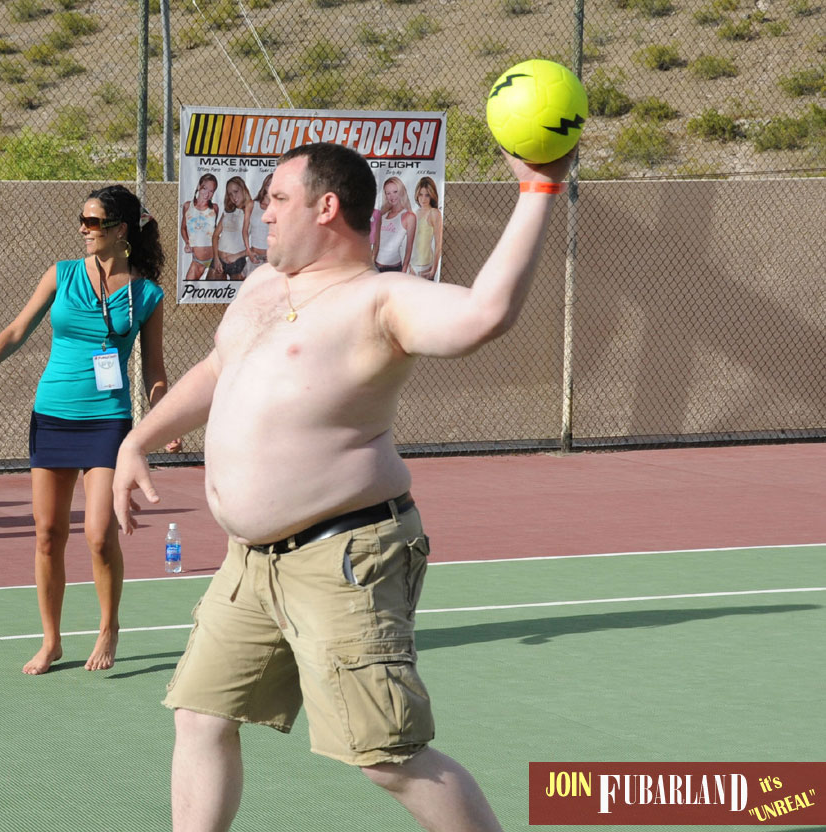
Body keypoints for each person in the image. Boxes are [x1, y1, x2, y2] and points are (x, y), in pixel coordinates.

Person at [112, 142, 572, 831]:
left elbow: (484, 316)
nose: (261, 210)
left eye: (276, 198)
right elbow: (218, 366)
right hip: (250, 561)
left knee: (386, 755)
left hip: (344, 556)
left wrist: (537, 194)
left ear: (325, 207)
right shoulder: (263, 284)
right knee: (201, 716)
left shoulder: (381, 299)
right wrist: (137, 439)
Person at [0, 185, 175, 675]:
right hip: (52, 415)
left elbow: (154, 370)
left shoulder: (147, 294)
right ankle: (51, 641)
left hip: (109, 421)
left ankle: (108, 627)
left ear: (120, 230)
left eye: (93, 222)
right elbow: (16, 330)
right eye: (82, 220)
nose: (83, 229)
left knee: (97, 533)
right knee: (48, 534)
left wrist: (164, 418)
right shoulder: (61, 274)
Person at [371, 176, 417, 272]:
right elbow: (376, 243)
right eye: (388, 193)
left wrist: (404, 271)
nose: (392, 196)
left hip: (393, 269)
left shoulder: (409, 216)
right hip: (375, 266)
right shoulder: (382, 215)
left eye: (395, 192)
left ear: (401, 191)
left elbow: (409, 248)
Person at [213, 176, 252, 281]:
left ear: (243, 190)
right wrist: (216, 258)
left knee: (238, 296)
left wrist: (237, 256)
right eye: (230, 194)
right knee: (208, 295)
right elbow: (215, 235)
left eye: (236, 191)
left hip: (237, 262)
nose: (233, 196)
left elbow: (257, 246)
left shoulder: (252, 210)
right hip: (219, 261)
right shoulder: (228, 210)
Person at [180, 174, 218, 281]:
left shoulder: (215, 208)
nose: (207, 194)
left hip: (214, 259)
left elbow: (214, 231)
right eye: (204, 188)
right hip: (197, 261)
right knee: (189, 290)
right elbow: (183, 228)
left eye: (211, 191)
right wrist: (187, 242)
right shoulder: (188, 206)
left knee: (214, 293)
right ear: (198, 187)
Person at [409, 175, 443, 280]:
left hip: (426, 266)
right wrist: (409, 266)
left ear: (432, 195)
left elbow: (438, 244)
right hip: (412, 266)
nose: (423, 199)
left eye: (427, 195)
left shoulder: (434, 213)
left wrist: (433, 270)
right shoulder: (414, 213)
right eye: (420, 195)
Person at [247, 173, 272, 270]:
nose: (271, 187)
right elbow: (245, 230)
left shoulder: (280, 207)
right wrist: (248, 251)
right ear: (265, 185)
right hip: (254, 257)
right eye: (269, 184)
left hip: (271, 259)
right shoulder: (253, 204)